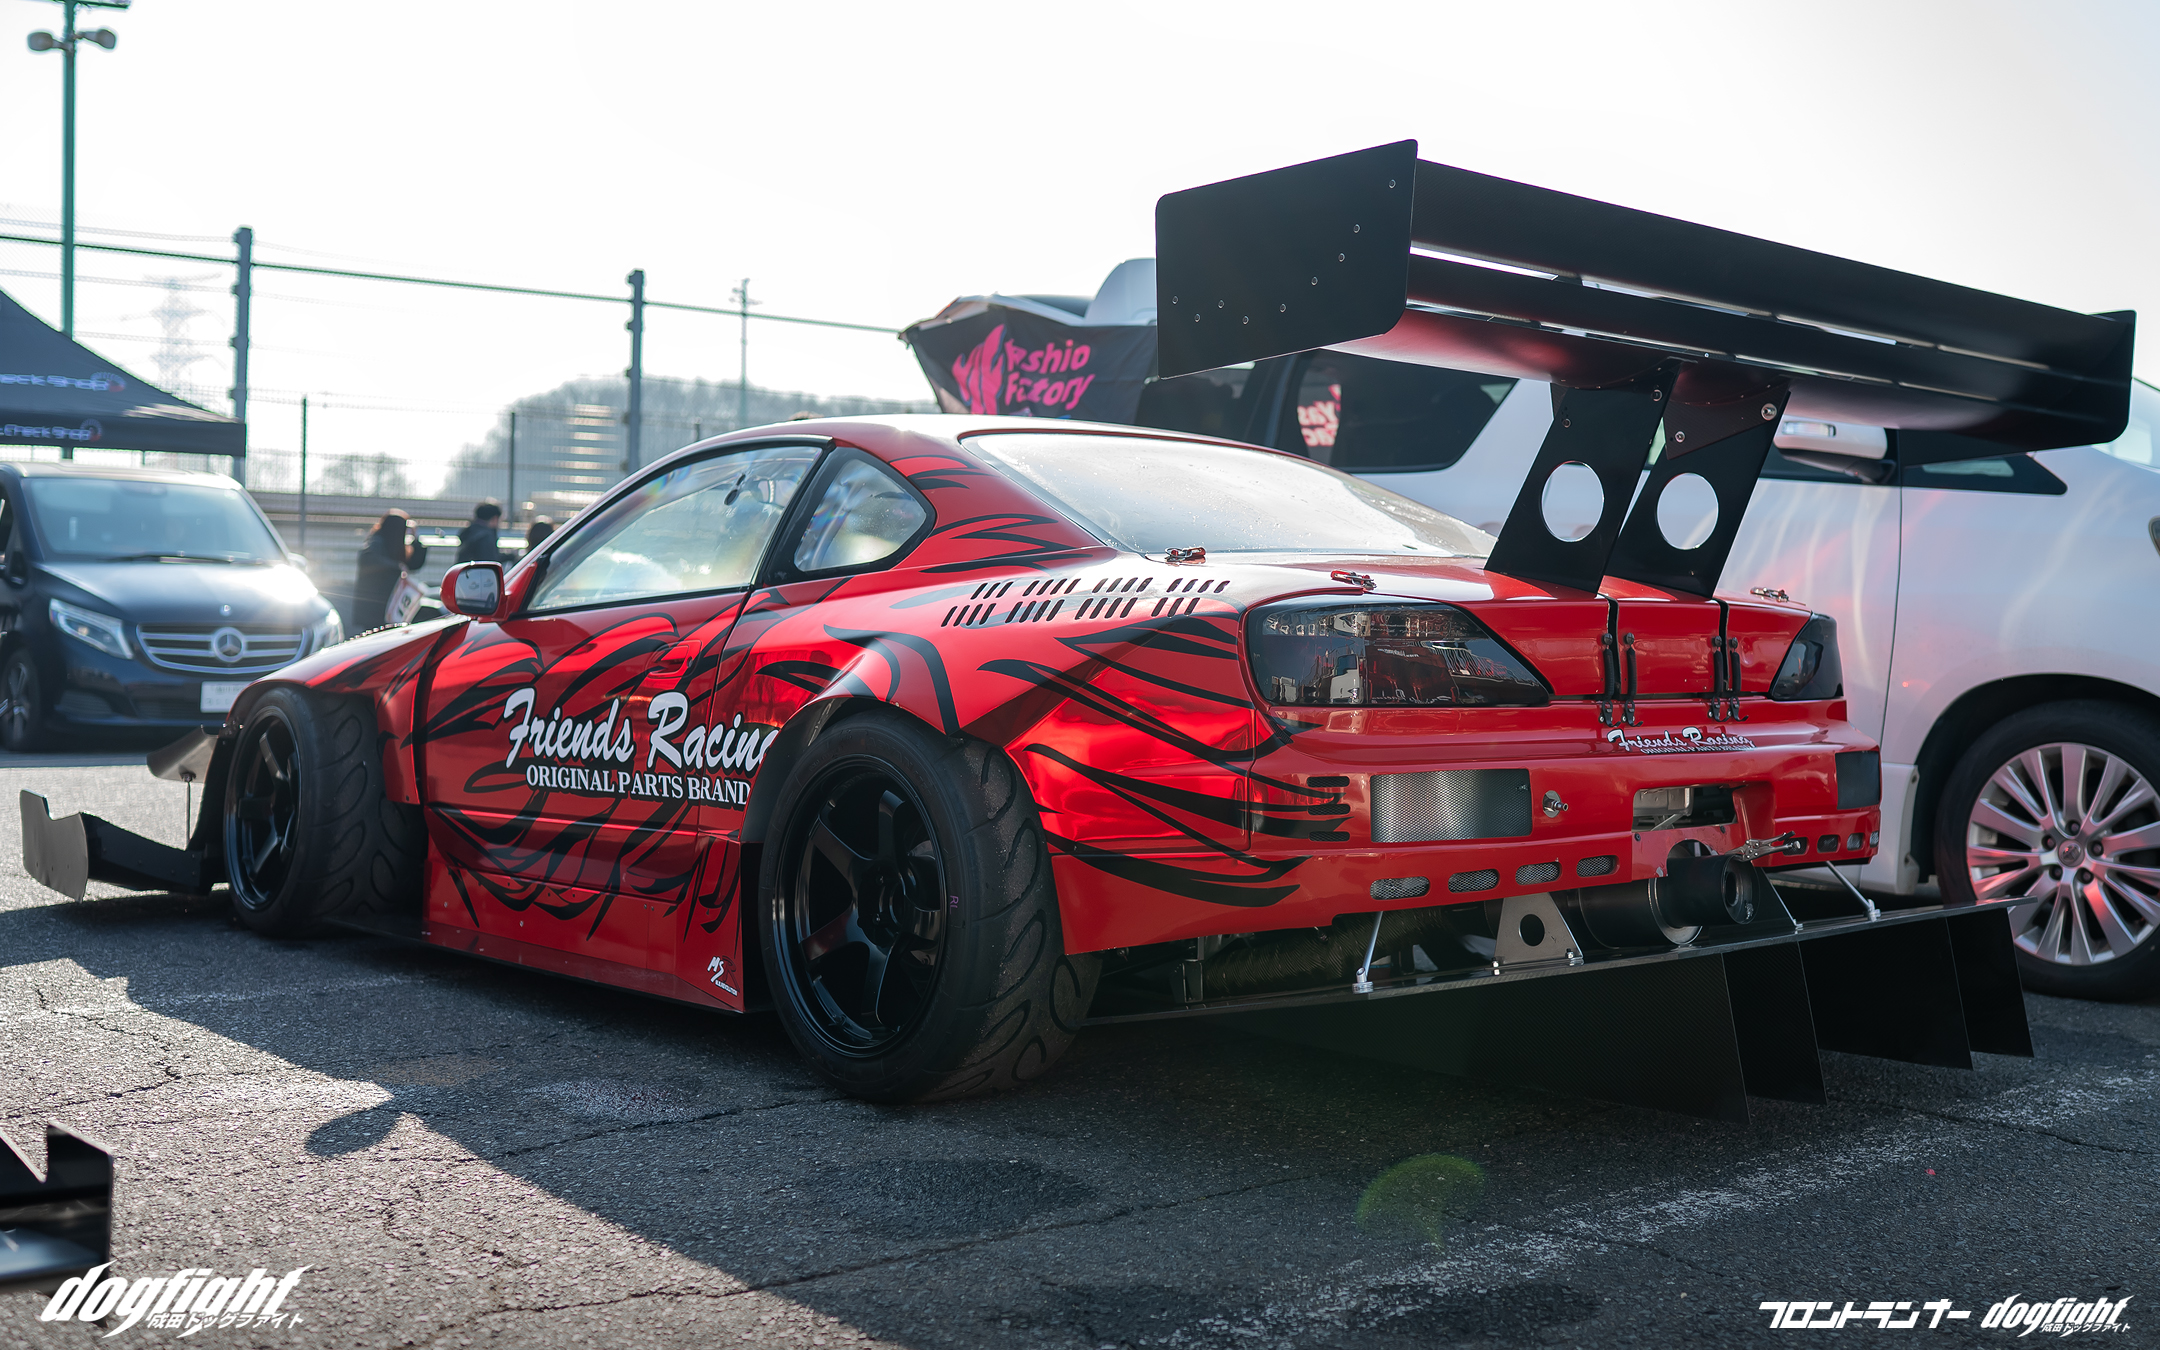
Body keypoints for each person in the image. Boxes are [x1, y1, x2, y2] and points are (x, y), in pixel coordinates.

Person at [354, 510, 426, 630]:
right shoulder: (376, 542)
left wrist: (416, 538)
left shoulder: (396, 547)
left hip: (388, 608)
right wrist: (397, 568)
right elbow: (369, 558)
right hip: (374, 609)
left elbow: (415, 564)